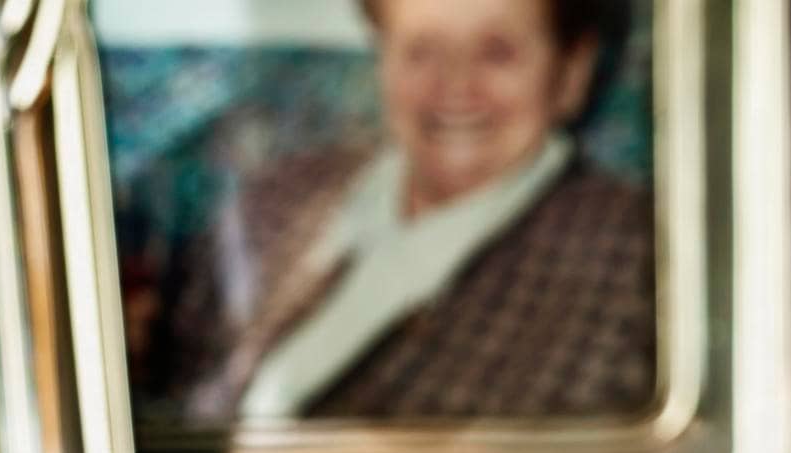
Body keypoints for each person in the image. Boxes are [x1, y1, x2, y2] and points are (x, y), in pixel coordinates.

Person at [167, 0, 654, 423]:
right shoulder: (278, 192)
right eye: (422, 51)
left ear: (571, 73)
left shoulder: (640, 257)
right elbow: (180, 380)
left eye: (496, 53)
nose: (455, 87)